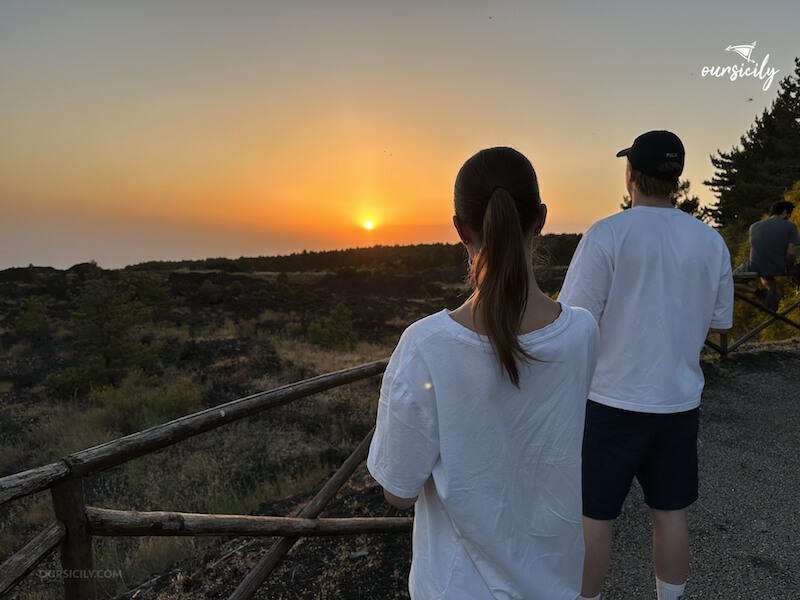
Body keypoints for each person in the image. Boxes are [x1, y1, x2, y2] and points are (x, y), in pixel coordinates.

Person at [367, 146, 599, 599]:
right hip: (557, 583)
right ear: (541, 219)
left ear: (460, 230)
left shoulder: (426, 346)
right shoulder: (582, 333)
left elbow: (399, 491)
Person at [558, 131, 734, 600]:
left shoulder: (607, 234)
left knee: (595, 516)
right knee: (670, 511)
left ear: (630, 174)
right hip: (678, 401)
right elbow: (720, 322)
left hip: (611, 399)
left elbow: (573, 320)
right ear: (675, 178)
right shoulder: (710, 241)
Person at [733, 200, 800, 311]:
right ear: (784, 213)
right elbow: (791, 252)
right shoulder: (790, 226)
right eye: (789, 215)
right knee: (797, 270)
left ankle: (764, 294)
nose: (788, 218)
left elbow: (764, 247)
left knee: (728, 282)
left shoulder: (753, 227)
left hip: (757, 267)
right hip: (780, 266)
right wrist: (789, 267)